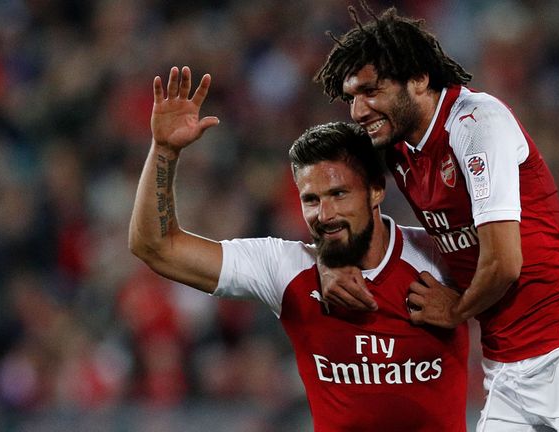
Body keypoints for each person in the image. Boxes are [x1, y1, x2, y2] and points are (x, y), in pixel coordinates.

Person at [313, 2, 559, 430]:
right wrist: (330, 262)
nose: (358, 111)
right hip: (508, 369)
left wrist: (456, 310)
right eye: (352, 97)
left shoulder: (476, 124)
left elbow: (506, 263)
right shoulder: (398, 146)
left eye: (372, 92)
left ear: (419, 78)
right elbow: (325, 190)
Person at [129, 66, 470, 431]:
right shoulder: (287, 267)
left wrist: (468, 304)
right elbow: (156, 247)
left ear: (375, 189)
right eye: (311, 199)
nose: (325, 214)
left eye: (339, 194)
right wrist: (164, 150)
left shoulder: (439, 255)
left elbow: (531, 279)